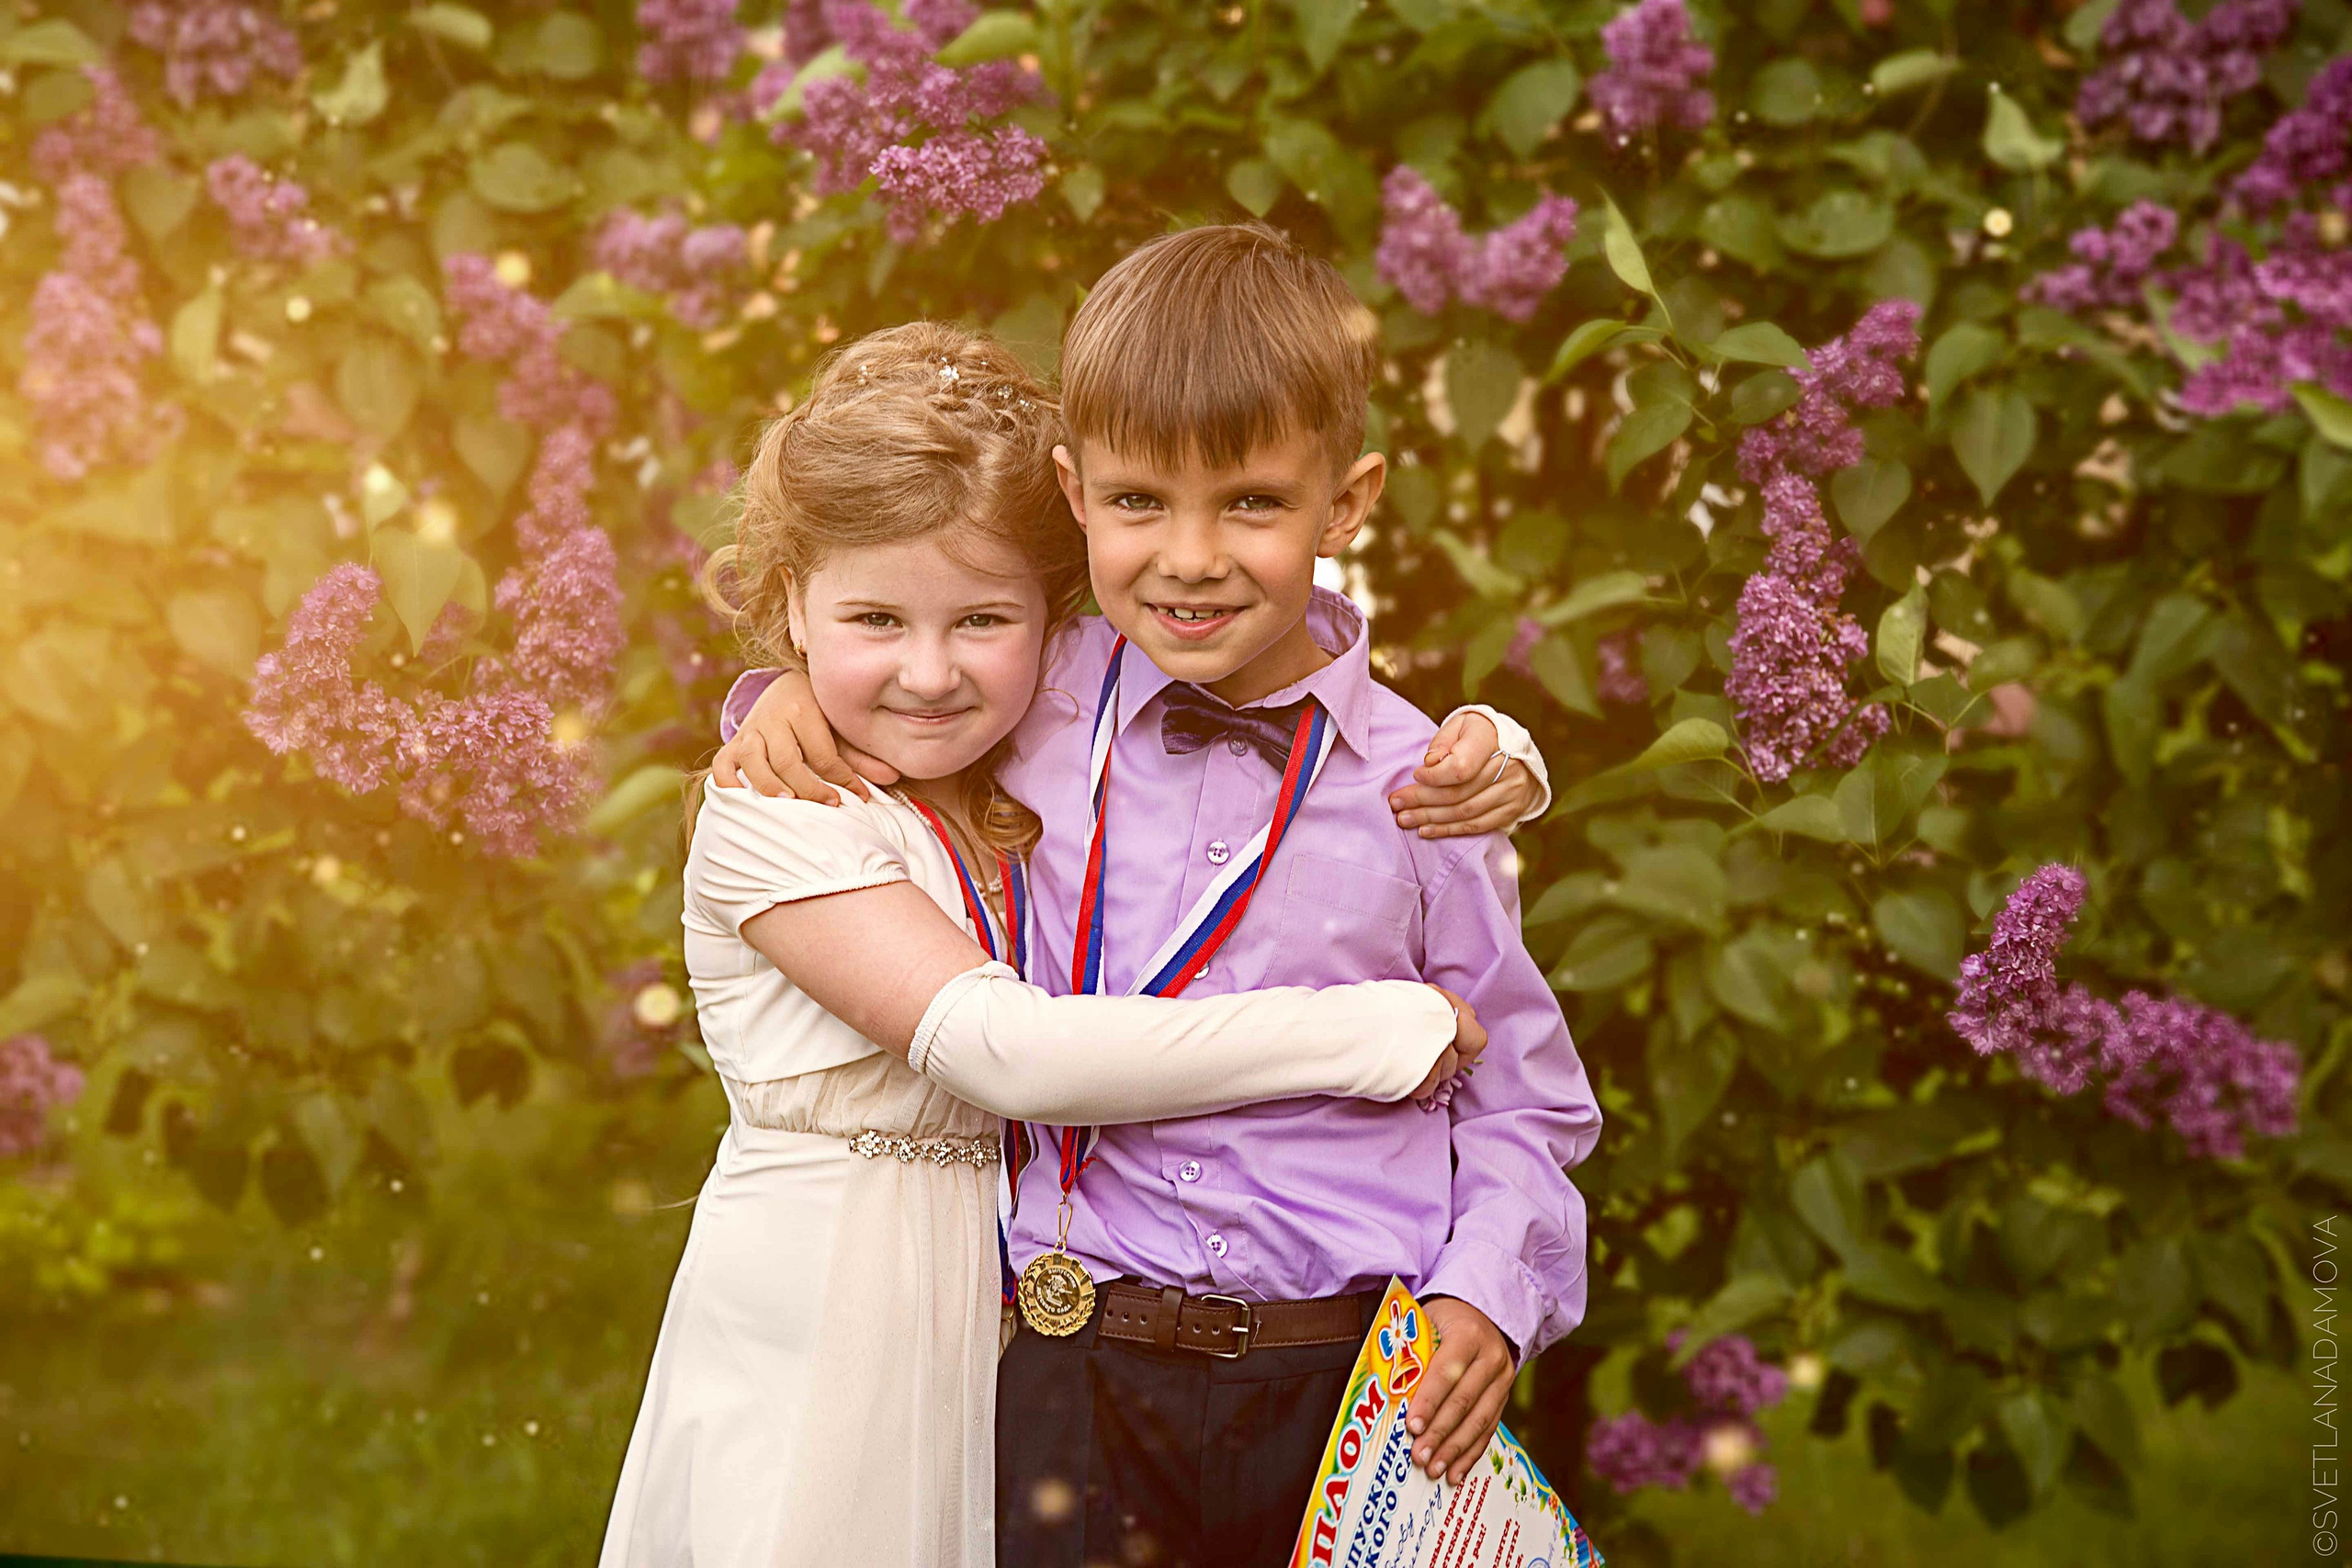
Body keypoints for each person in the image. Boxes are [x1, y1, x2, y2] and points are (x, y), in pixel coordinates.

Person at [714, 222, 1603, 1568]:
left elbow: (1525, 1096)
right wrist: (775, 693)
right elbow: (898, 678)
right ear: (1074, 496)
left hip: (1340, 1381)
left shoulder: (1423, 787)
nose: (1189, 558)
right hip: (1074, 1368)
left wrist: (1488, 1291)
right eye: (1139, 502)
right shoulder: (1029, 701)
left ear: (1347, 503)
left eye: (1249, 502)